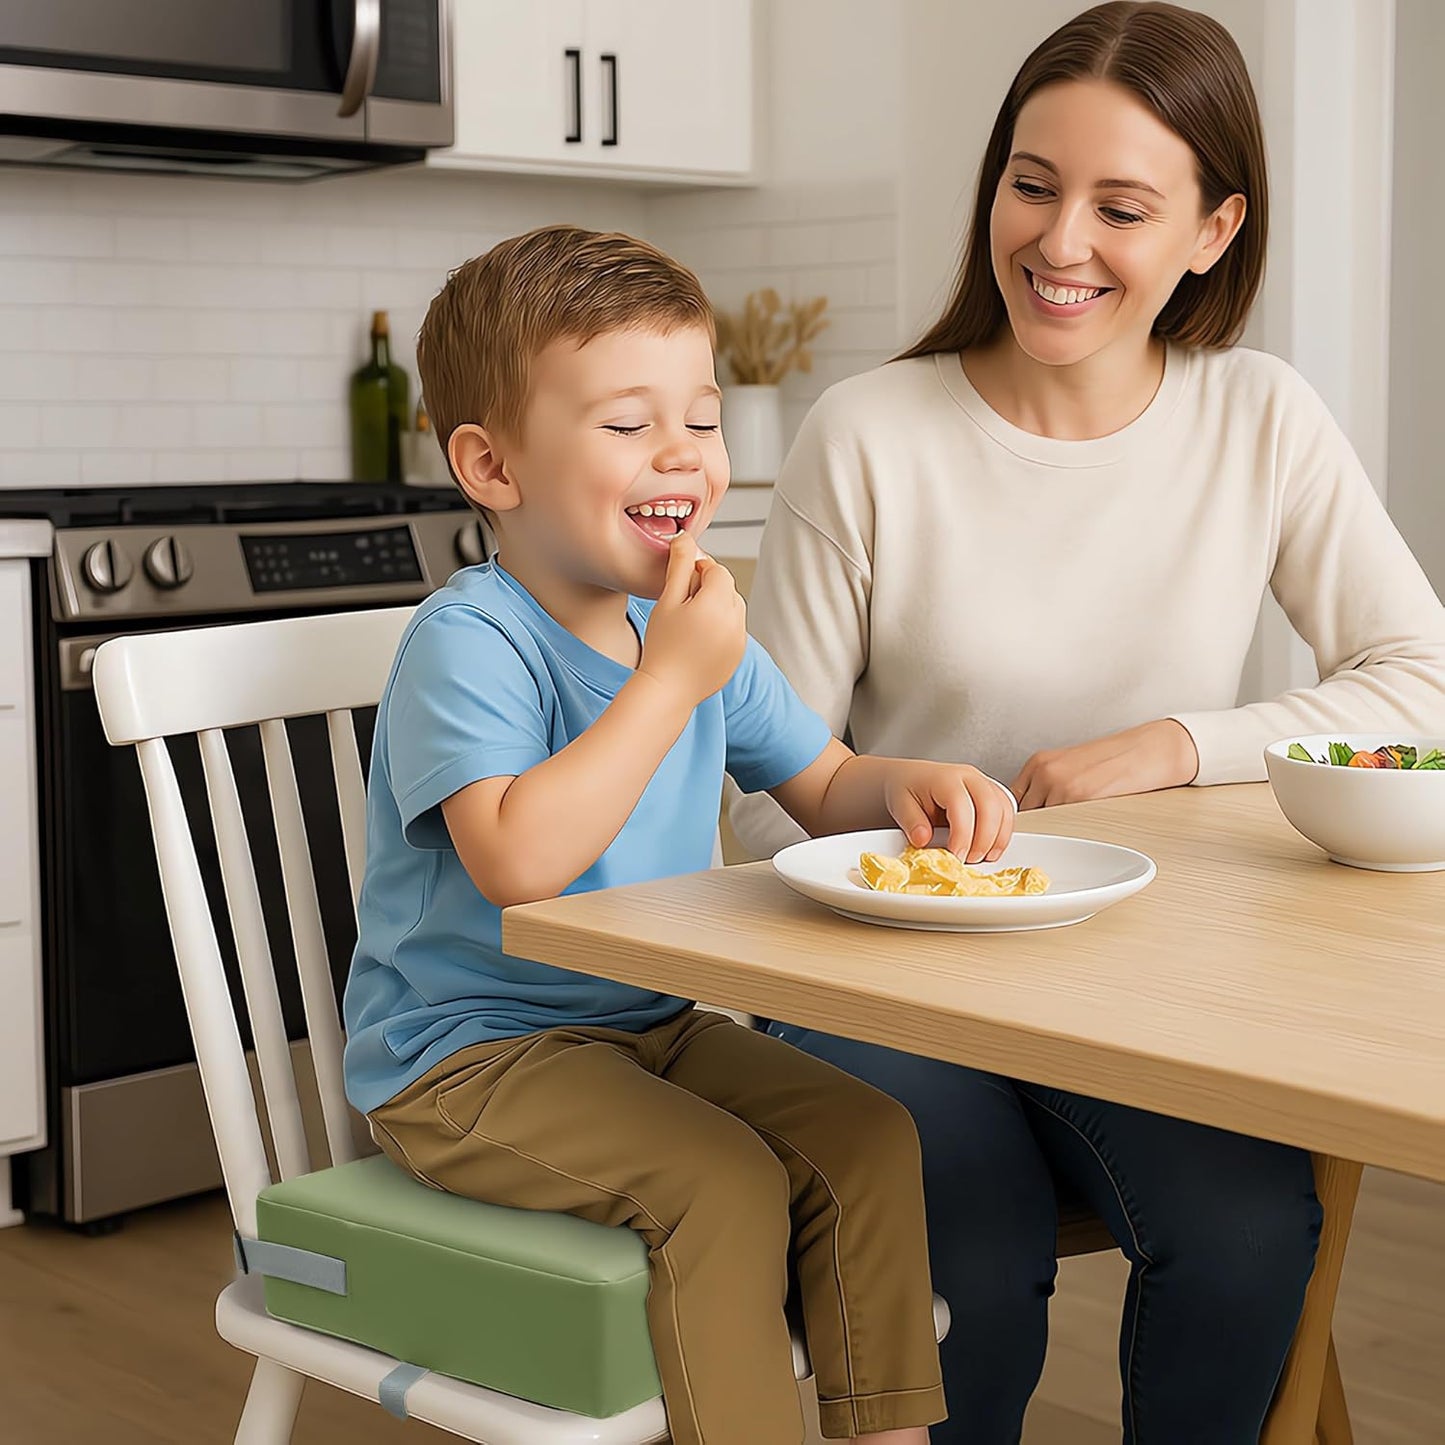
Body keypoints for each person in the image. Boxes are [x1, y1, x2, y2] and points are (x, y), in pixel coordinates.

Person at [731, 4, 1445, 1443]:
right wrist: (895, 814)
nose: (1059, 242)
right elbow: (752, 793)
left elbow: (1419, 678)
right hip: (877, 974)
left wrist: (1176, 743)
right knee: (972, 1241)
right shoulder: (867, 434)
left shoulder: (1259, 418)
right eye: (1032, 184)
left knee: (1251, 1229)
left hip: (1134, 982)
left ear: (1211, 231)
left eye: (1121, 208)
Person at [341, 224, 1023, 1445]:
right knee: (721, 1183)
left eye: (701, 419)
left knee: (870, 1135)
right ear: (491, 464)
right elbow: (515, 859)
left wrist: (905, 783)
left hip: (644, 1027)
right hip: (465, 1059)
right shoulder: (472, 641)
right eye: (626, 423)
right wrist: (666, 681)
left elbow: (823, 782)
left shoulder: (691, 630)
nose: (681, 453)